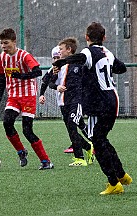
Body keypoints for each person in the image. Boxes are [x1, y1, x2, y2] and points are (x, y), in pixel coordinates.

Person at [53, 22, 132, 194]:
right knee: (101, 139)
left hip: (99, 103)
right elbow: (122, 68)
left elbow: (80, 58)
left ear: (86, 37)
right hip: (113, 100)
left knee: (97, 140)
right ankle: (121, 175)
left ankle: (114, 183)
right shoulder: (107, 52)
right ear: (104, 38)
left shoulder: (88, 52)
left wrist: (62, 61)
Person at [0, 28, 54, 170]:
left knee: (27, 131)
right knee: (7, 123)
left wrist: (21, 76)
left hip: (28, 96)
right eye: (1, 43)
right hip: (13, 96)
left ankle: (46, 161)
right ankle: (21, 152)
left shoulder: (24, 56)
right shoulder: (2, 57)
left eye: (6, 43)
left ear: (14, 42)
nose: (3, 46)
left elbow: (37, 71)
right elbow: (3, 78)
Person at [49, 37, 94, 166]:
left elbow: (88, 80)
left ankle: (80, 158)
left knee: (73, 125)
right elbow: (51, 81)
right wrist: (55, 78)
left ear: (69, 50)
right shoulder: (60, 65)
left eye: (61, 49)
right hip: (64, 102)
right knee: (71, 129)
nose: (59, 51)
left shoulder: (80, 64)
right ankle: (88, 147)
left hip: (76, 101)